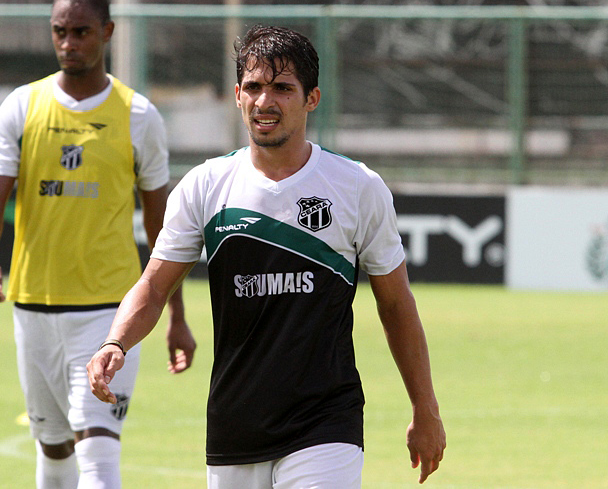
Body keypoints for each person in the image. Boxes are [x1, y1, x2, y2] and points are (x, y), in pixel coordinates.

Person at [88, 24, 446, 488]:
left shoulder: (357, 187)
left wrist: (425, 409)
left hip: (326, 422)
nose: (265, 101)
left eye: (282, 88)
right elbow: (155, 285)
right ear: (237, 95)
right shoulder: (205, 186)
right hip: (236, 422)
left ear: (311, 98)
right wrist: (115, 342)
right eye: (254, 87)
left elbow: (396, 304)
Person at [0, 0, 196, 489]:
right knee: (53, 449)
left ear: (108, 33)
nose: (68, 42)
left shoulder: (138, 117)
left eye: (81, 32)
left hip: (108, 313)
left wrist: (175, 315)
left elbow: (164, 229)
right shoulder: (22, 107)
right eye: (59, 32)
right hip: (34, 308)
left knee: (96, 448)